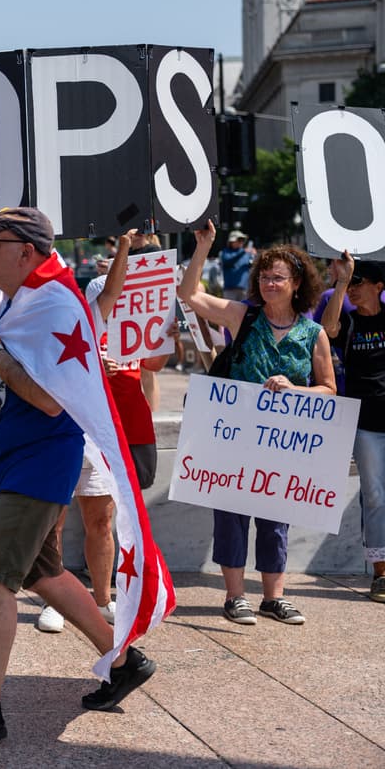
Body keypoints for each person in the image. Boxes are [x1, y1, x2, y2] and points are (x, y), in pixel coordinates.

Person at [0, 207, 157, 750]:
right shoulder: (14, 301)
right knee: (41, 572)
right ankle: (124, 660)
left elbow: (50, 400)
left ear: (25, 250)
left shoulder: (51, 303)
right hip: (14, 464)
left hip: (38, 464)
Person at [179, 219, 335, 626]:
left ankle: (273, 598)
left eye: (278, 278)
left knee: (275, 519)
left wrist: (294, 390)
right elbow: (189, 294)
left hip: (283, 442)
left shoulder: (314, 333)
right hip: (235, 437)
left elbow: (328, 389)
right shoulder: (242, 317)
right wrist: (204, 247)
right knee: (230, 516)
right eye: (264, 277)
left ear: (297, 283)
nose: (269, 284)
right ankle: (235, 596)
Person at [37, 229, 168, 634]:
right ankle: (57, 602)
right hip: (67, 429)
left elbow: (154, 367)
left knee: (101, 518)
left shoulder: (123, 319)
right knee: (54, 519)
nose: (113, 302)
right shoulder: (72, 317)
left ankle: (101, 599)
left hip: (103, 433)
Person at [320, 253, 385, 603]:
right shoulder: (348, 322)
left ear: (379, 286)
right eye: (351, 285)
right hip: (365, 423)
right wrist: (342, 281)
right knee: (374, 495)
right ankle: (381, 572)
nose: (355, 291)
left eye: (361, 284)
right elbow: (327, 330)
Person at [220, 229, 255, 301]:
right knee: (229, 311)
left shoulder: (247, 253)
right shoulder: (226, 252)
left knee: (244, 311)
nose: (241, 242)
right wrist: (243, 252)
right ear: (231, 241)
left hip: (244, 290)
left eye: (243, 240)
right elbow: (228, 261)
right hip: (230, 290)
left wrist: (254, 256)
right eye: (239, 239)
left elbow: (252, 266)